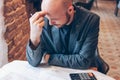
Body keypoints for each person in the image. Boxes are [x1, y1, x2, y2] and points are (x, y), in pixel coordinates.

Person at [26, 0, 105, 73]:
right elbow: (33, 62)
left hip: (80, 72)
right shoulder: (44, 21)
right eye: (47, 18)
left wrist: (48, 58)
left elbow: (84, 61)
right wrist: (34, 37)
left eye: (54, 19)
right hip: (56, 73)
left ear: (70, 10)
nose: (50, 23)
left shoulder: (90, 20)